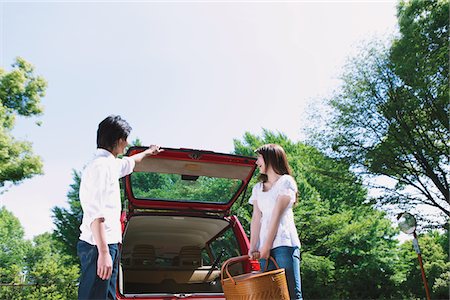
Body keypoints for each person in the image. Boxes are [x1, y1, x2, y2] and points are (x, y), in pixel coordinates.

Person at [77, 115, 162, 300]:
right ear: (118, 140)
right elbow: (95, 214)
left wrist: (148, 152)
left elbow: (130, 162)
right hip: (97, 246)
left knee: (107, 297)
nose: (127, 143)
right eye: (125, 139)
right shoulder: (99, 167)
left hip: (109, 244)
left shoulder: (110, 164)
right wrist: (104, 253)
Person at [248, 144, 303, 300]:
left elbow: (276, 216)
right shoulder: (258, 188)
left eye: (259, 158)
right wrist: (253, 247)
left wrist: (265, 247)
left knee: (291, 294)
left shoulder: (286, 182)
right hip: (264, 248)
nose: (257, 162)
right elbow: (256, 218)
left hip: (284, 244)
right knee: (271, 295)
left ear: (269, 158)